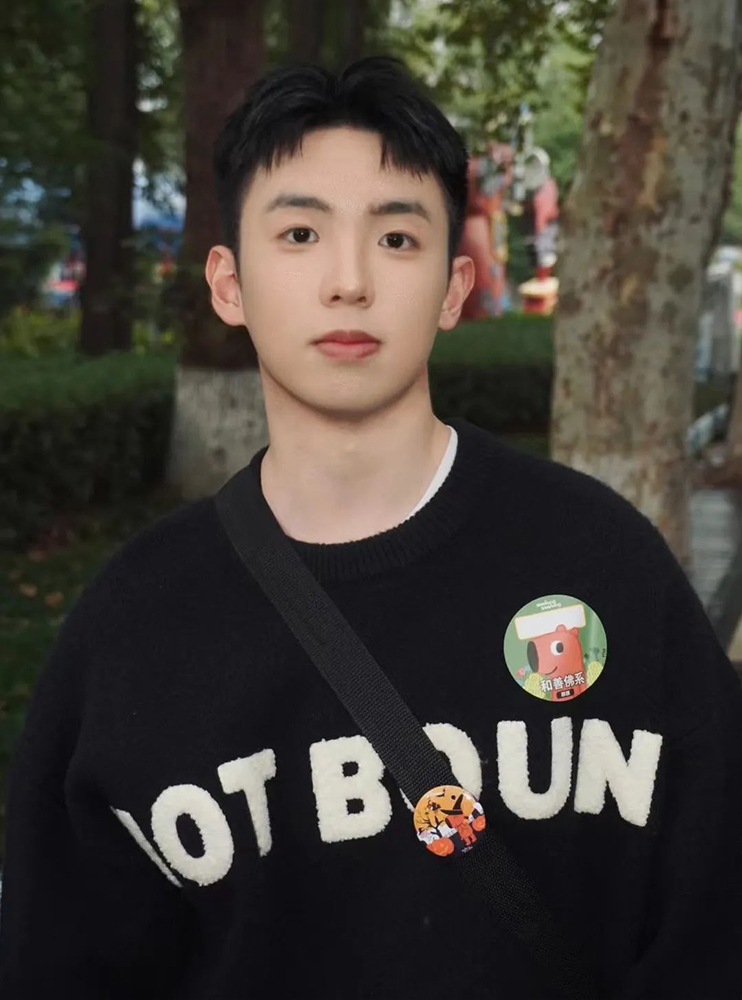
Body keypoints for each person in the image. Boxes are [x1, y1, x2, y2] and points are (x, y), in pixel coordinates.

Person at [1, 54, 741, 1000]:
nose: (348, 281)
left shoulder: (602, 562)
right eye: (300, 233)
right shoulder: (133, 630)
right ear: (228, 283)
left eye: (396, 238)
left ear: (453, 286)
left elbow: (716, 916)